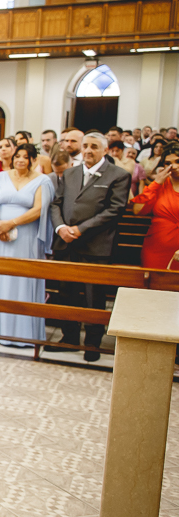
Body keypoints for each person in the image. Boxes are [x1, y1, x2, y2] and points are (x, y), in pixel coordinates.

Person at [47, 133, 131, 361]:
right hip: (66, 243)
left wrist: (81, 229)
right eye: (85, 146)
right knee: (67, 293)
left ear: (105, 150)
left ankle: (93, 343)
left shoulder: (118, 175)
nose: (88, 150)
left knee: (94, 296)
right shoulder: (70, 173)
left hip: (95, 245)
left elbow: (115, 210)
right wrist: (61, 228)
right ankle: (69, 338)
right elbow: (56, 203)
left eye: (94, 147)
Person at [0, 144, 56, 346]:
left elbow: (39, 209)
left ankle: (22, 335)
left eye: (25, 157)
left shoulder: (42, 181)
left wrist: (11, 223)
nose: (20, 160)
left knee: (21, 280)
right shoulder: (0, 177)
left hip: (27, 238)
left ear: (33, 160)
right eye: (17, 156)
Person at [131, 142, 179, 270]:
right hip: (156, 249)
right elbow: (137, 210)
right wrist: (156, 183)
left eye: (178, 161)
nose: (174, 166)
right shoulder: (159, 185)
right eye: (168, 163)